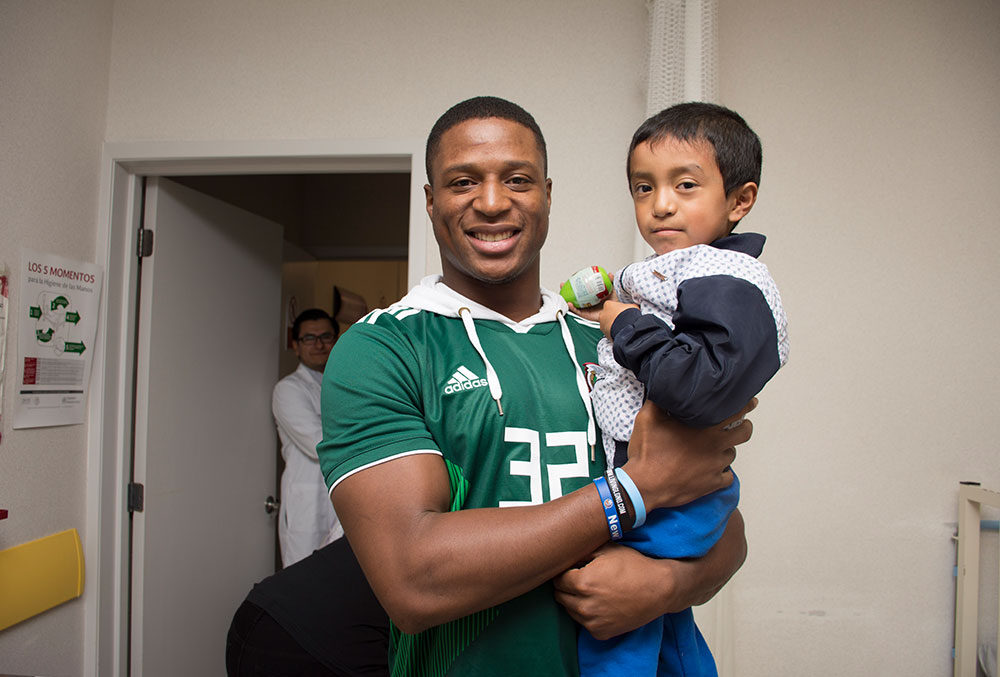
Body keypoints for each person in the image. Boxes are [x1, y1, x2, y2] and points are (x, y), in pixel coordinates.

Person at [317, 96, 755, 676]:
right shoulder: (386, 347)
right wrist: (635, 489)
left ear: (547, 193)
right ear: (429, 200)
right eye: (462, 181)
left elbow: (723, 526)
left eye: (518, 179)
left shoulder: (620, 341)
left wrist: (670, 583)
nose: (492, 202)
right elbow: (413, 578)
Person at [574, 102, 789, 676]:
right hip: (666, 490)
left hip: (676, 499)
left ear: (740, 201)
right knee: (666, 632)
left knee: (617, 630)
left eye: (685, 185)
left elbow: (698, 388)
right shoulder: (685, 272)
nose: (660, 204)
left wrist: (623, 324)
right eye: (643, 188)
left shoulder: (730, 280)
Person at [273, 308, 343, 567]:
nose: (319, 344)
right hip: (308, 502)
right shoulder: (288, 390)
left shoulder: (343, 384)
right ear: (296, 345)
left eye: (326, 337)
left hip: (340, 496)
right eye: (309, 338)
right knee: (303, 581)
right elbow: (318, 445)